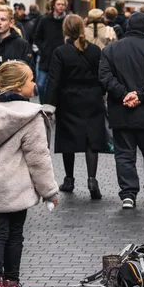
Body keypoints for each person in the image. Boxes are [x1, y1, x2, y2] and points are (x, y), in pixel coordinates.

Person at [0, 61, 59, 287]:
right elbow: (38, 158)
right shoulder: (29, 114)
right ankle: (12, 285)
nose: (35, 84)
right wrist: (49, 192)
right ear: (17, 85)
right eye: (30, 80)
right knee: (14, 236)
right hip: (16, 187)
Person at [99, 12, 144, 209]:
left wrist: (124, 94)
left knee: (124, 153)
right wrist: (141, 95)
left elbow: (105, 78)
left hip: (121, 112)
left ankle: (128, 194)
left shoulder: (110, 51)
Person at [44, 14, 106, 199]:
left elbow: (54, 81)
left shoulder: (61, 52)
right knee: (91, 140)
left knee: (68, 139)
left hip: (68, 99)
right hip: (92, 98)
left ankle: (69, 179)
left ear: (65, 30)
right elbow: (102, 75)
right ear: (82, 28)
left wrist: (49, 107)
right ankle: (92, 179)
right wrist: (101, 93)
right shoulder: (95, 50)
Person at [0, 5, 34, 79]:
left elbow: (29, 72)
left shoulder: (22, 45)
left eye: (3, 19)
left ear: (11, 23)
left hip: (14, 88)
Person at [34, 0, 67, 103]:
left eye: (63, 4)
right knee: (40, 84)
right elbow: (37, 36)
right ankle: (44, 105)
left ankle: (55, 107)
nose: (61, 7)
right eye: (59, 4)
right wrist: (43, 48)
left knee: (59, 85)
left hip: (62, 57)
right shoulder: (45, 20)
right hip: (46, 57)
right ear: (53, 5)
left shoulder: (67, 20)